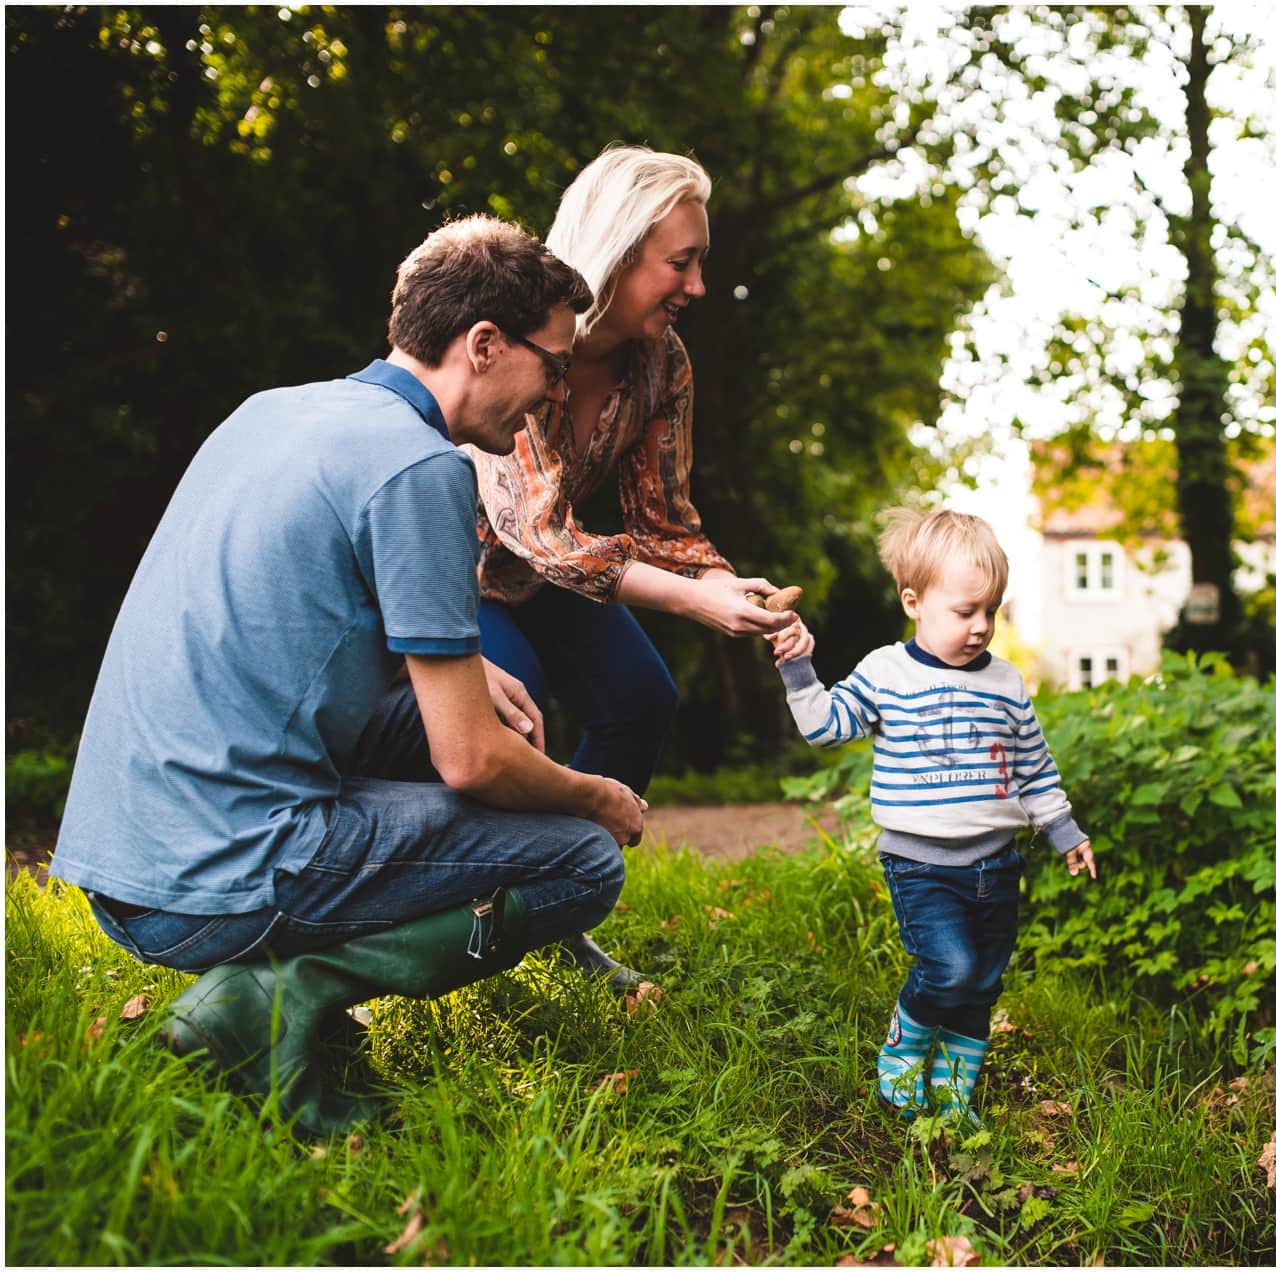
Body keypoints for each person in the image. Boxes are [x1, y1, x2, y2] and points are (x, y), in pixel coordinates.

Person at [49, 215, 645, 1135]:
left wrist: (469, 663)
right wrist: (593, 797)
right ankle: (275, 1000)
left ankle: (284, 984)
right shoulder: (419, 467)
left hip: (124, 854)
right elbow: (471, 765)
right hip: (207, 888)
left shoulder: (276, 410)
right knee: (578, 858)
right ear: (483, 345)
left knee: (508, 725)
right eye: (553, 365)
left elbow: (289, 607)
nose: (552, 395)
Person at [467, 145, 796, 986]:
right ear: (617, 250)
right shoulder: (528, 341)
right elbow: (537, 532)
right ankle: (466, 920)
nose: (697, 286)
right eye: (680, 263)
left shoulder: (662, 363)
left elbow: (664, 520)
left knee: (640, 698)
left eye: (699, 263)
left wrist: (724, 587)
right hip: (459, 572)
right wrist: (692, 606)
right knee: (516, 721)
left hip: (551, 574)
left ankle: (558, 907)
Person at [767, 509, 1098, 1122]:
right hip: (920, 866)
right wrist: (798, 669)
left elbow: (1034, 764)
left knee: (983, 984)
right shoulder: (886, 671)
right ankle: (902, 1053)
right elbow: (825, 727)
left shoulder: (1005, 681)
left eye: (990, 612)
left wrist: (1064, 830)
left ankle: (952, 1095)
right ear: (914, 601)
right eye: (963, 612)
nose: (979, 628)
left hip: (997, 866)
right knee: (951, 968)